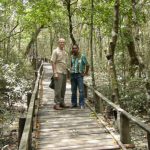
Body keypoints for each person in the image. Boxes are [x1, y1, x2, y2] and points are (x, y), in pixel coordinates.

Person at [51, 38, 69, 110]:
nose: (62, 43)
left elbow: (65, 62)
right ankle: (57, 104)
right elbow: (53, 62)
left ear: (64, 43)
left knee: (63, 89)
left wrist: (67, 73)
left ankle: (62, 102)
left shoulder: (65, 52)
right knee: (58, 89)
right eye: (60, 42)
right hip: (58, 72)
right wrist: (55, 72)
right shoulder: (55, 51)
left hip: (64, 72)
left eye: (63, 42)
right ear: (58, 43)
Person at [70, 44, 89, 109]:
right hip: (72, 75)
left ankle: (81, 104)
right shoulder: (72, 56)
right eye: (73, 48)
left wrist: (85, 73)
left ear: (78, 49)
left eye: (75, 48)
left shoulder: (82, 56)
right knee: (73, 90)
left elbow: (87, 65)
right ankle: (74, 103)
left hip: (79, 75)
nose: (74, 49)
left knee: (81, 90)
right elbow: (71, 65)